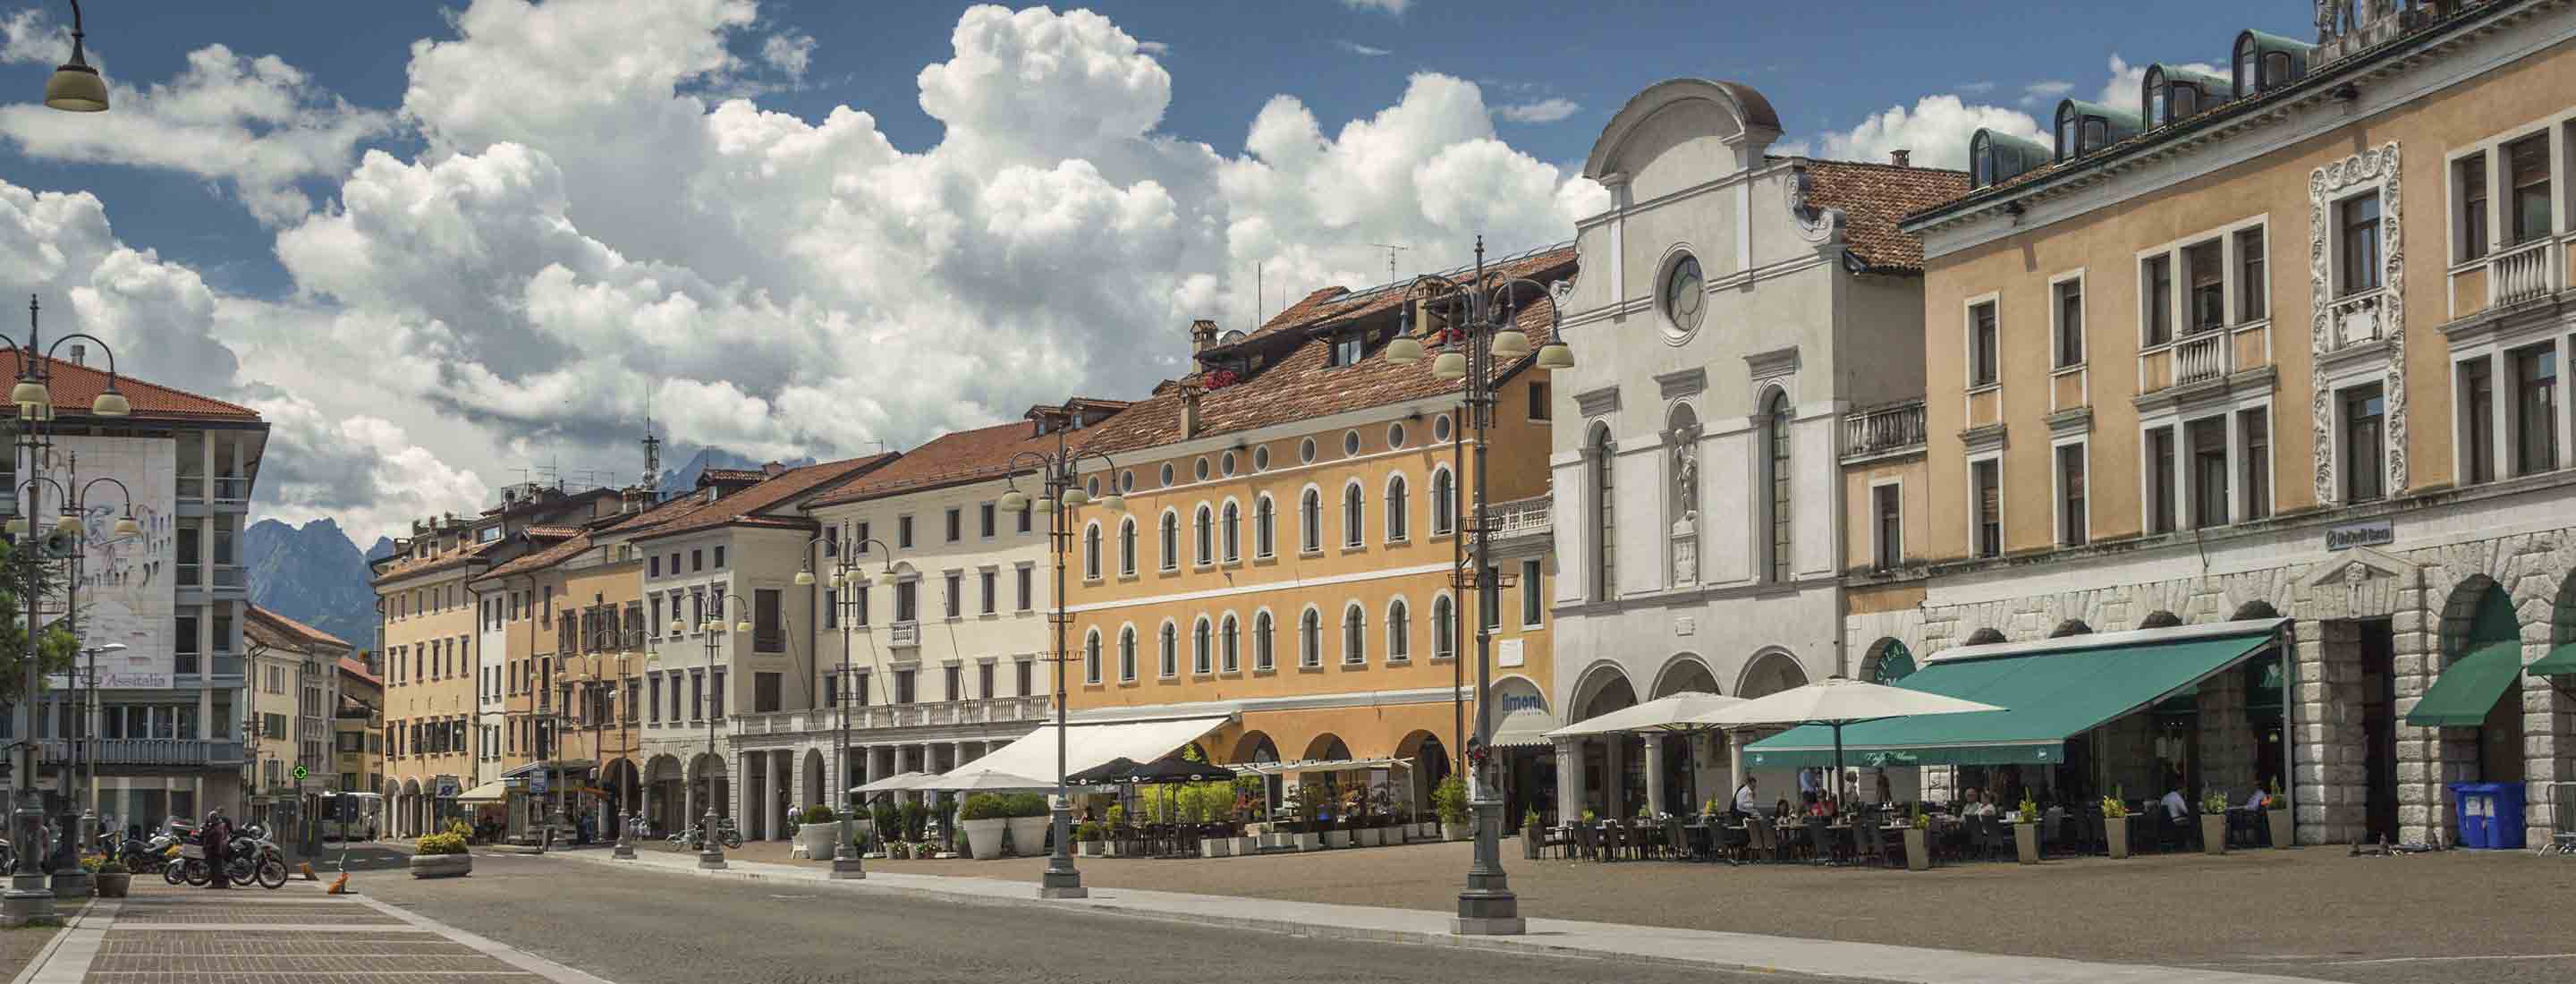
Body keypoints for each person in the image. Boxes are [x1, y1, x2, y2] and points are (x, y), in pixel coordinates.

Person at [200, 808, 233, 889]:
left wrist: (208, 846)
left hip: (216, 850)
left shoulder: (218, 827)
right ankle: (222, 883)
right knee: (218, 867)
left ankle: (218, 884)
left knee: (215, 868)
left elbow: (215, 839)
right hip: (219, 849)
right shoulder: (220, 825)